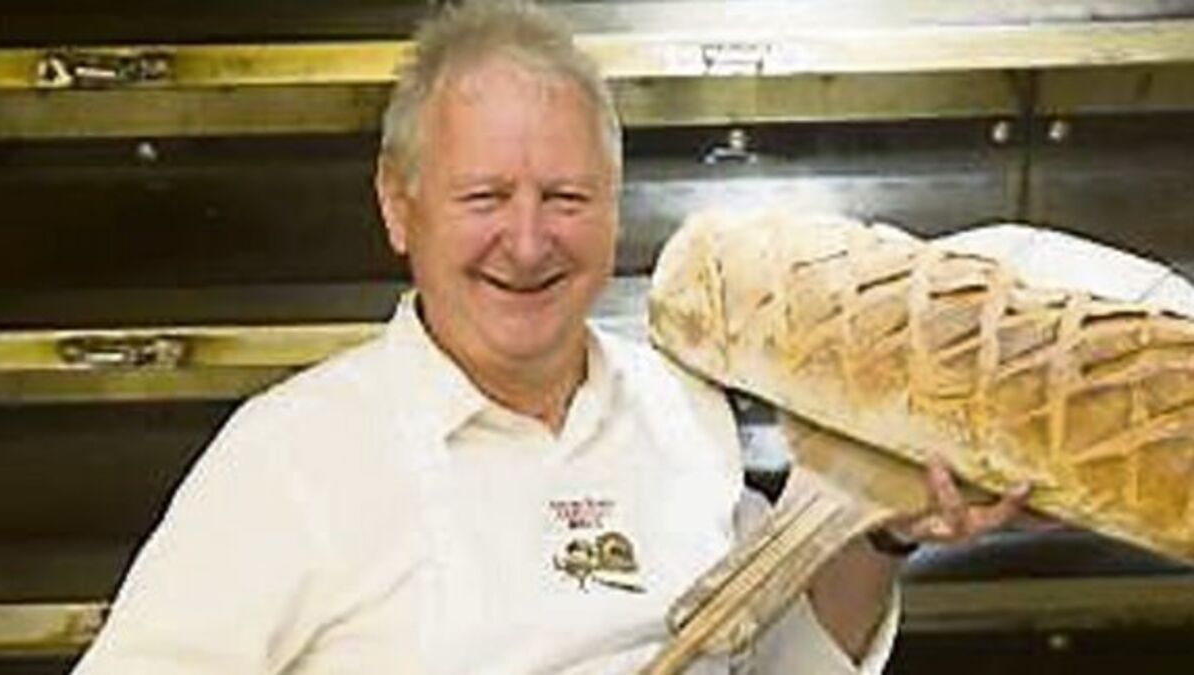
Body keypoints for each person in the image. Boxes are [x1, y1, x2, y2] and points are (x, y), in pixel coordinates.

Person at [73, 2, 1028, 673]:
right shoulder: (290, 456)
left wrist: (883, 529)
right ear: (399, 206)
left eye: (565, 197)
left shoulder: (679, 407)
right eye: (484, 196)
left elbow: (786, 661)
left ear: (614, 210)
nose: (527, 242)